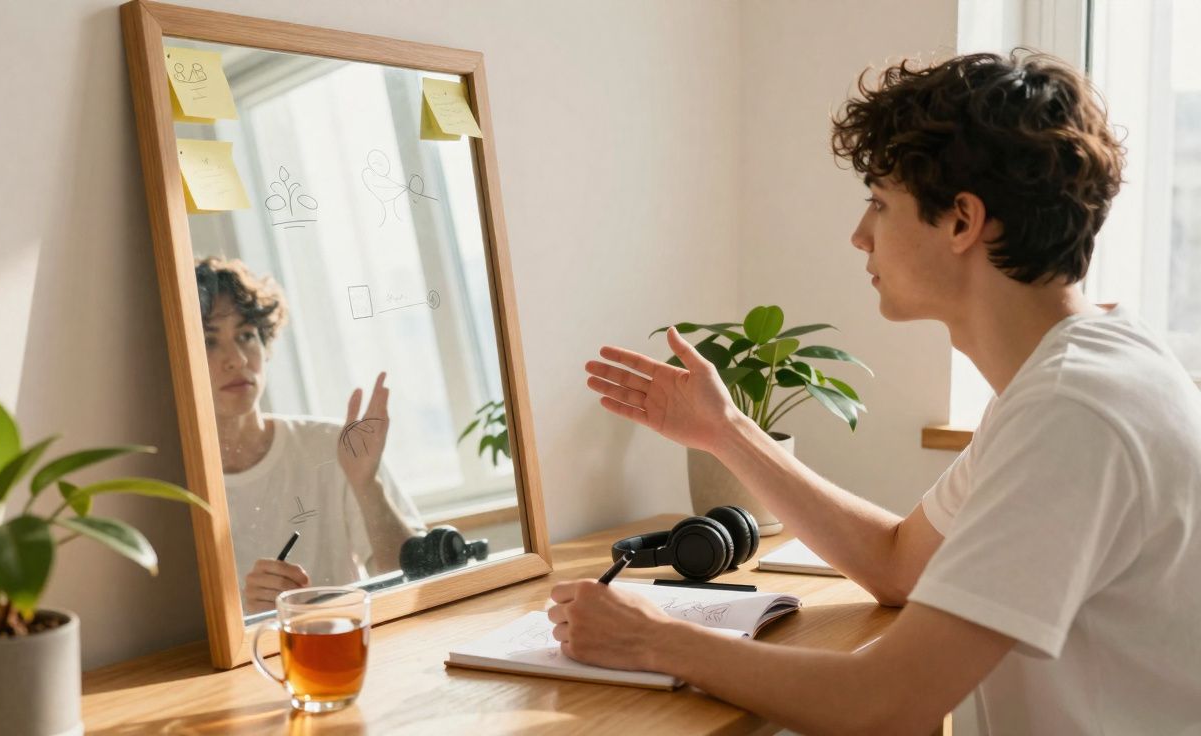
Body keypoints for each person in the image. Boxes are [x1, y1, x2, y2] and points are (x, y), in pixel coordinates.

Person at [551, 51, 1201, 733]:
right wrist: (725, 431)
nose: (860, 236)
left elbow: (885, 704)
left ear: (961, 222)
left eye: (880, 205)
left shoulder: (1074, 413)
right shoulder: (1086, 372)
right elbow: (901, 566)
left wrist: (654, 639)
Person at [195, 256, 425, 614]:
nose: (237, 359)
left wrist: (367, 485)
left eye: (245, 336)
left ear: (265, 345)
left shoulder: (331, 446)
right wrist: (250, 609)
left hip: (348, 649)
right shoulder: (175, 485)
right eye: (210, 341)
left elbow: (416, 580)